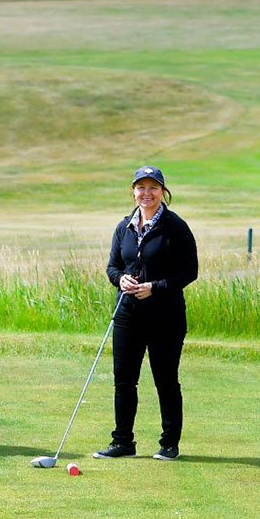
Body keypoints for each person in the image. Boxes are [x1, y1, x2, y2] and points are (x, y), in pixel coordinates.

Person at [98, 165, 198, 461]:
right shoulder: (123, 226)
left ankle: (169, 444)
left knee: (165, 379)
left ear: (163, 191)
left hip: (165, 316)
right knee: (124, 379)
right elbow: (113, 266)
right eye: (141, 187)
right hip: (128, 314)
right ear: (133, 191)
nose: (147, 193)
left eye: (153, 187)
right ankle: (123, 442)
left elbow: (189, 272)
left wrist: (155, 286)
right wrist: (120, 279)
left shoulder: (175, 227)